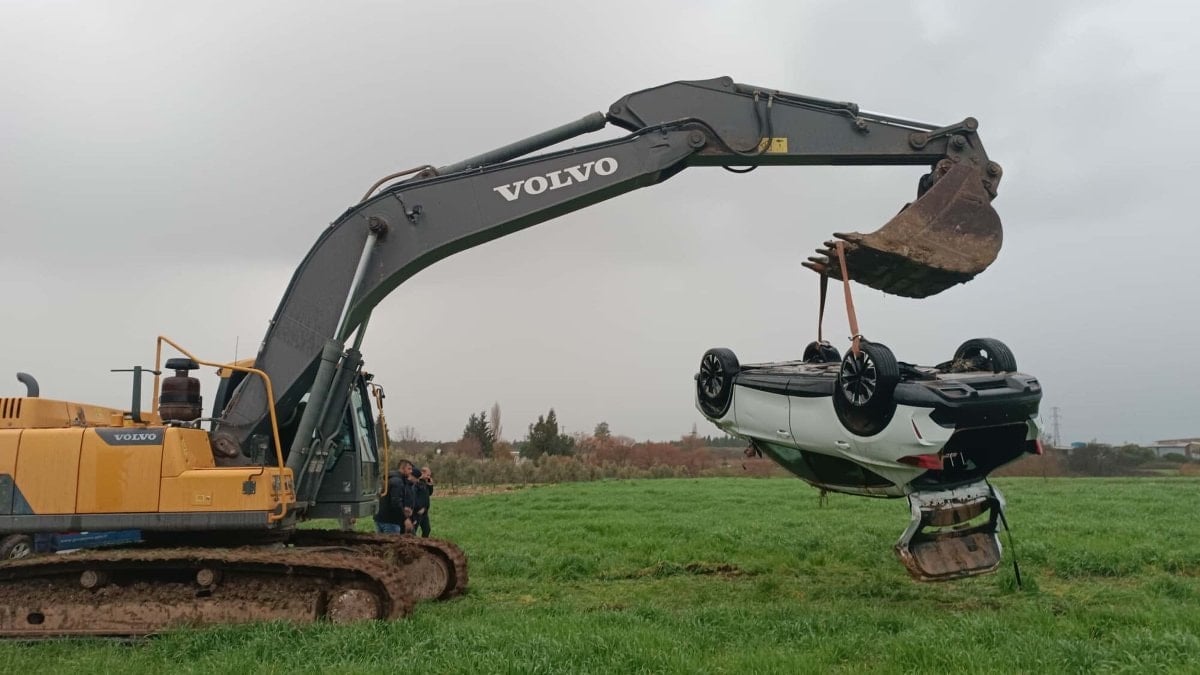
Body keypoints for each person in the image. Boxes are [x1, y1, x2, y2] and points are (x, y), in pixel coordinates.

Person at [373, 464, 407, 534]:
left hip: (380, 518)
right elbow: (396, 502)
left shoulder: (388, 480)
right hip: (391, 521)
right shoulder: (398, 482)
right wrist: (405, 518)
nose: (411, 471)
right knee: (390, 544)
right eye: (409, 469)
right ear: (402, 469)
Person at [412, 467, 434, 537]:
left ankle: (424, 544)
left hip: (424, 512)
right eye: (428, 475)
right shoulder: (416, 483)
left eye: (430, 475)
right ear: (422, 473)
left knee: (427, 530)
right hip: (417, 512)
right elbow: (414, 497)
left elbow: (429, 493)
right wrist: (418, 508)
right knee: (413, 531)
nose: (429, 477)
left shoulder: (425, 482)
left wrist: (430, 485)